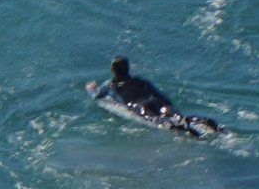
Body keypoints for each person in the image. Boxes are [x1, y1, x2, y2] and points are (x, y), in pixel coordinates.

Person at [91, 57, 227, 135]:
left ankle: (180, 128)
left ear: (113, 71)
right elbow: (158, 93)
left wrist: (91, 88)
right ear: (128, 69)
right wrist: (168, 105)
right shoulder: (141, 81)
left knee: (155, 119)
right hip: (156, 100)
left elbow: (98, 95)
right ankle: (203, 121)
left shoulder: (111, 84)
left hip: (138, 105)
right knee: (179, 117)